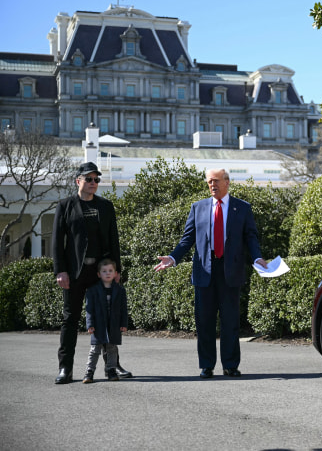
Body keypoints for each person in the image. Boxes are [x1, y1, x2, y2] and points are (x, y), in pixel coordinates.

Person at [153, 168, 267, 378]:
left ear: (227, 182)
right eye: (208, 182)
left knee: (230, 321)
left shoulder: (242, 208)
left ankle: (230, 365)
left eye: (215, 181)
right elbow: (187, 239)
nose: (212, 185)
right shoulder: (198, 208)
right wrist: (173, 258)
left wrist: (257, 258)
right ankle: (206, 365)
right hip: (205, 271)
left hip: (230, 271)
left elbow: (251, 237)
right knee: (204, 321)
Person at [52, 162, 132, 384]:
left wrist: (116, 270)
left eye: (97, 179)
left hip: (102, 273)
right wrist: (61, 271)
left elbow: (113, 240)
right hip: (76, 273)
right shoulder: (65, 206)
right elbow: (58, 242)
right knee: (71, 319)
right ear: (78, 181)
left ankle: (112, 365)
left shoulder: (106, 206)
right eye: (89, 179)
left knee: (107, 319)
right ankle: (65, 368)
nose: (93, 183)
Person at [83, 258, 128, 383]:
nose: (107, 273)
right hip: (98, 325)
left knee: (112, 348)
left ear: (115, 273)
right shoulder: (92, 290)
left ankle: (111, 370)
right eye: (104, 271)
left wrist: (123, 324)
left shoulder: (120, 290)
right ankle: (89, 372)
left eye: (110, 271)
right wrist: (90, 324)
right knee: (95, 349)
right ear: (99, 274)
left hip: (113, 325)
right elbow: (89, 309)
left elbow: (123, 309)